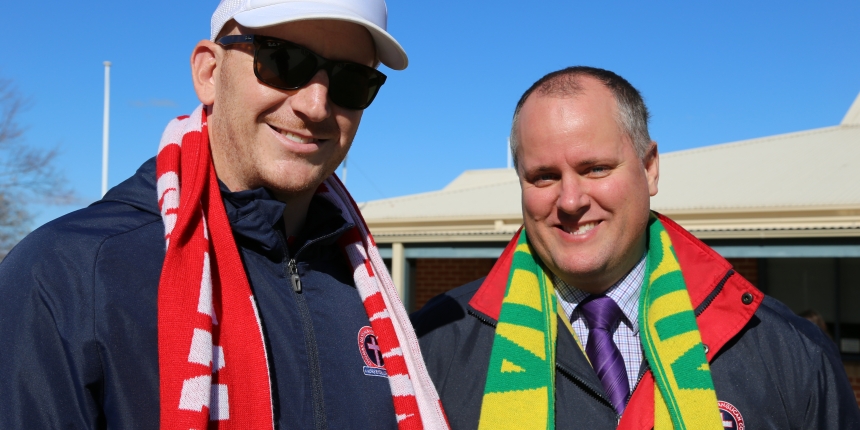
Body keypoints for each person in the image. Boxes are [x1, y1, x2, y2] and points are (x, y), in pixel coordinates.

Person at [0, 1, 448, 429]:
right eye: (283, 60)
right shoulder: (68, 274)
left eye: (352, 80)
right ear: (209, 72)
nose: (315, 105)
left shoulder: (367, 289)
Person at [412, 66, 860, 429]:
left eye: (595, 168)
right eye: (543, 176)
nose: (570, 201)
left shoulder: (786, 349)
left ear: (649, 170)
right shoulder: (432, 347)